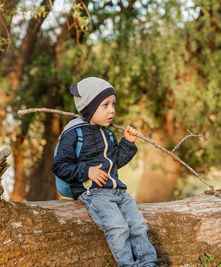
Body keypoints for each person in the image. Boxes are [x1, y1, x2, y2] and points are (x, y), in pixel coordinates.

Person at [52, 77, 157, 267]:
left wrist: (127, 143)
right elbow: (59, 166)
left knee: (138, 225)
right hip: (94, 193)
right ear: (89, 107)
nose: (112, 110)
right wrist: (87, 171)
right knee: (118, 228)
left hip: (118, 190)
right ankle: (128, 264)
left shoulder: (107, 133)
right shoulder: (74, 133)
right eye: (105, 105)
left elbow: (114, 162)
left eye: (113, 104)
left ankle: (148, 262)